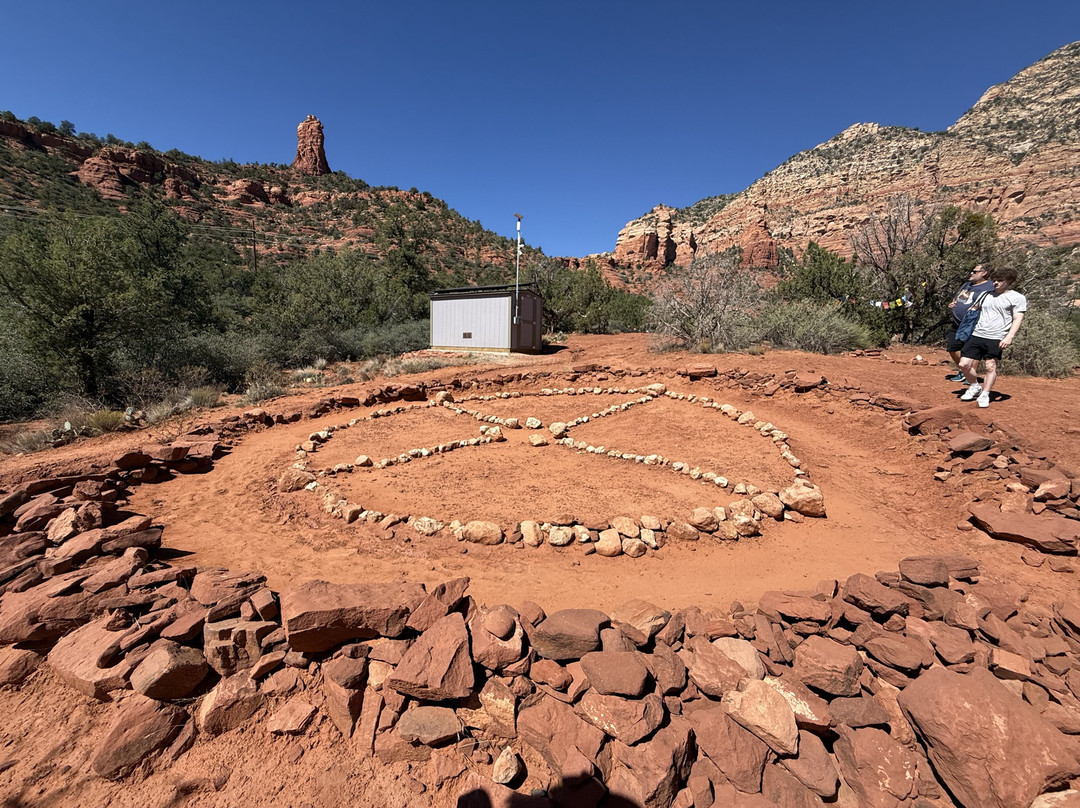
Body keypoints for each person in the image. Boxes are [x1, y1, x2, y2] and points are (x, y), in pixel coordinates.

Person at [958, 267, 1027, 408]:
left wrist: (1009, 337)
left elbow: (1017, 319)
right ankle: (974, 386)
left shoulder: (1017, 298)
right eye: (994, 280)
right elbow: (974, 309)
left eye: (1000, 280)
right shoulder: (985, 294)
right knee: (963, 364)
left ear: (1009, 281)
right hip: (977, 334)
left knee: (990, 366)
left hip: (996, 337)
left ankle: (985, 393)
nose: (995, 283)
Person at [946, 264, 994, 383]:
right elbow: (957, 298)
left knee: (973, 351)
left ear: (984, 273)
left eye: (974, 271)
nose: (971, 273)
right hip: (958, 323)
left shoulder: (989, 287)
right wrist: (953, 304)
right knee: (953, 347)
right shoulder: (966, 285)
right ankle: (964, 371)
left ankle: (971, 376)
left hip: (974, 323)